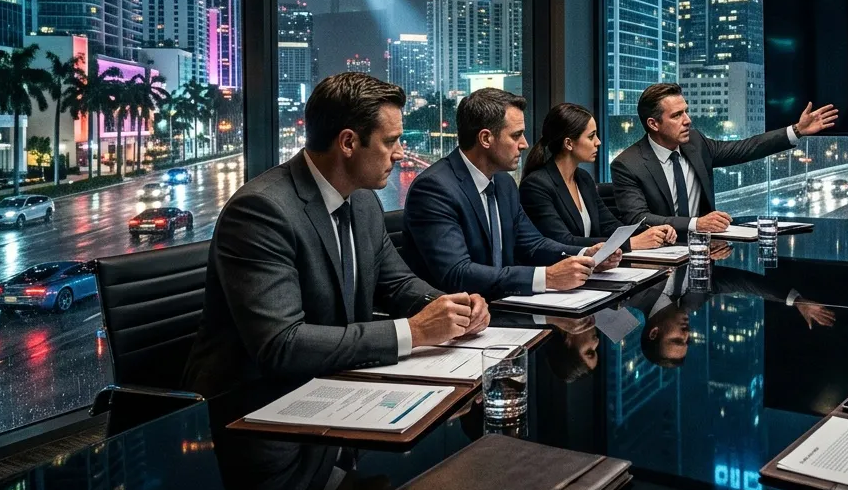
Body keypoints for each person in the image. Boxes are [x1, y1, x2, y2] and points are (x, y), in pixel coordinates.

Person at [183, 73, 489, 398]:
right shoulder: (261, 211)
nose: (400, 153)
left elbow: (397, 284)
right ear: (348, 142)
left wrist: (453, 308)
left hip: (335, 386)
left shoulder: (362, 200)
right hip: (253, 407)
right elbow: (281, 344)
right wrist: (414, 331)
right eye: (390, 141)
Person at [402, 88, 622, 298]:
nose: (525, 144)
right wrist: (546, 277)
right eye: (516, 136)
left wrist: (586, 255)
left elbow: (533, 245)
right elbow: (457, 273)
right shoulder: (434, 188)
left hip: (504, 307)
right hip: (458, 319)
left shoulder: (504, 183)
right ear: (486, 138)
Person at [611, 83, 838, 235]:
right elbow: (637, 219)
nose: (688, 120)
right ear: (653, 124)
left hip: (706, 250)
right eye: (677, 115)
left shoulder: (695, 143)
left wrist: (796, 130)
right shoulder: (628, 164)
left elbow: (745, 148)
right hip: (658, 261)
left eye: (686, 111)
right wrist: (696, 224)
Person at [520, 102, 676, 251]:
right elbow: (562, 240)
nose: (598, 142)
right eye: (591, 136)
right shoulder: (536, 185)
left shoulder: (583, 178)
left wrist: (651, 232)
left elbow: (609, 225)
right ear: (569, 143)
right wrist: (630, 243)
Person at [631, 262, 836, 368]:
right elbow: (741, 282)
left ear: (653, 332)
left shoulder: (631, 292)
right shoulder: (695, 300)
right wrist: (796, 301)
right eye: (687, 341)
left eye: (677, 339)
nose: (686, 334)